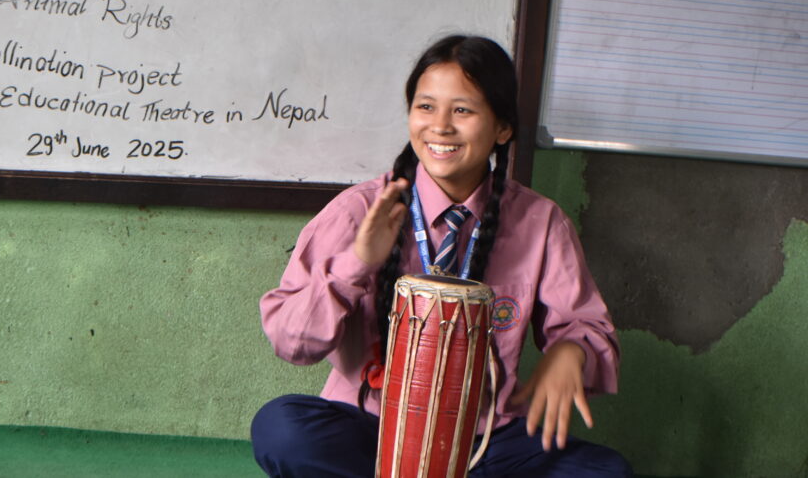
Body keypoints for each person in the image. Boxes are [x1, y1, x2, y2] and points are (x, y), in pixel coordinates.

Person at [251, 35, 632, 477]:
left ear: (503, 127)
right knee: (282, 429)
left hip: (488, 441)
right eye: (425, 107)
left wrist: (572, 352)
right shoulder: (358, 211)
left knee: (605, 472)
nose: (440, 127)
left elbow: (587, 327)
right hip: (370, 430)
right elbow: (290, 340)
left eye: (463, 110)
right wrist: (357, 261)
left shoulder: (541, 222)